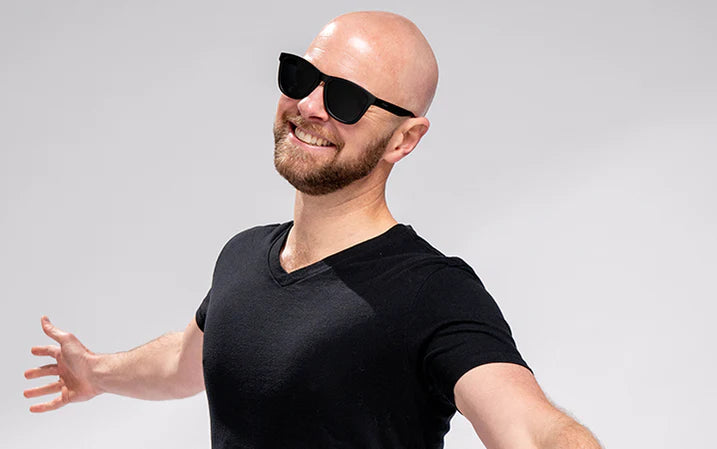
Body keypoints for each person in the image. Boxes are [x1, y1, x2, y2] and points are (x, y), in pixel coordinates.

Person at [24, 11, 602, 449]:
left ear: (404, 139)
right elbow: (189, 360)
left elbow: (528, 428)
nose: (311, 105)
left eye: (348, 99)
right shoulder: (244, 255)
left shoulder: (431, 291)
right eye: (301, 76)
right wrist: (95, 373)